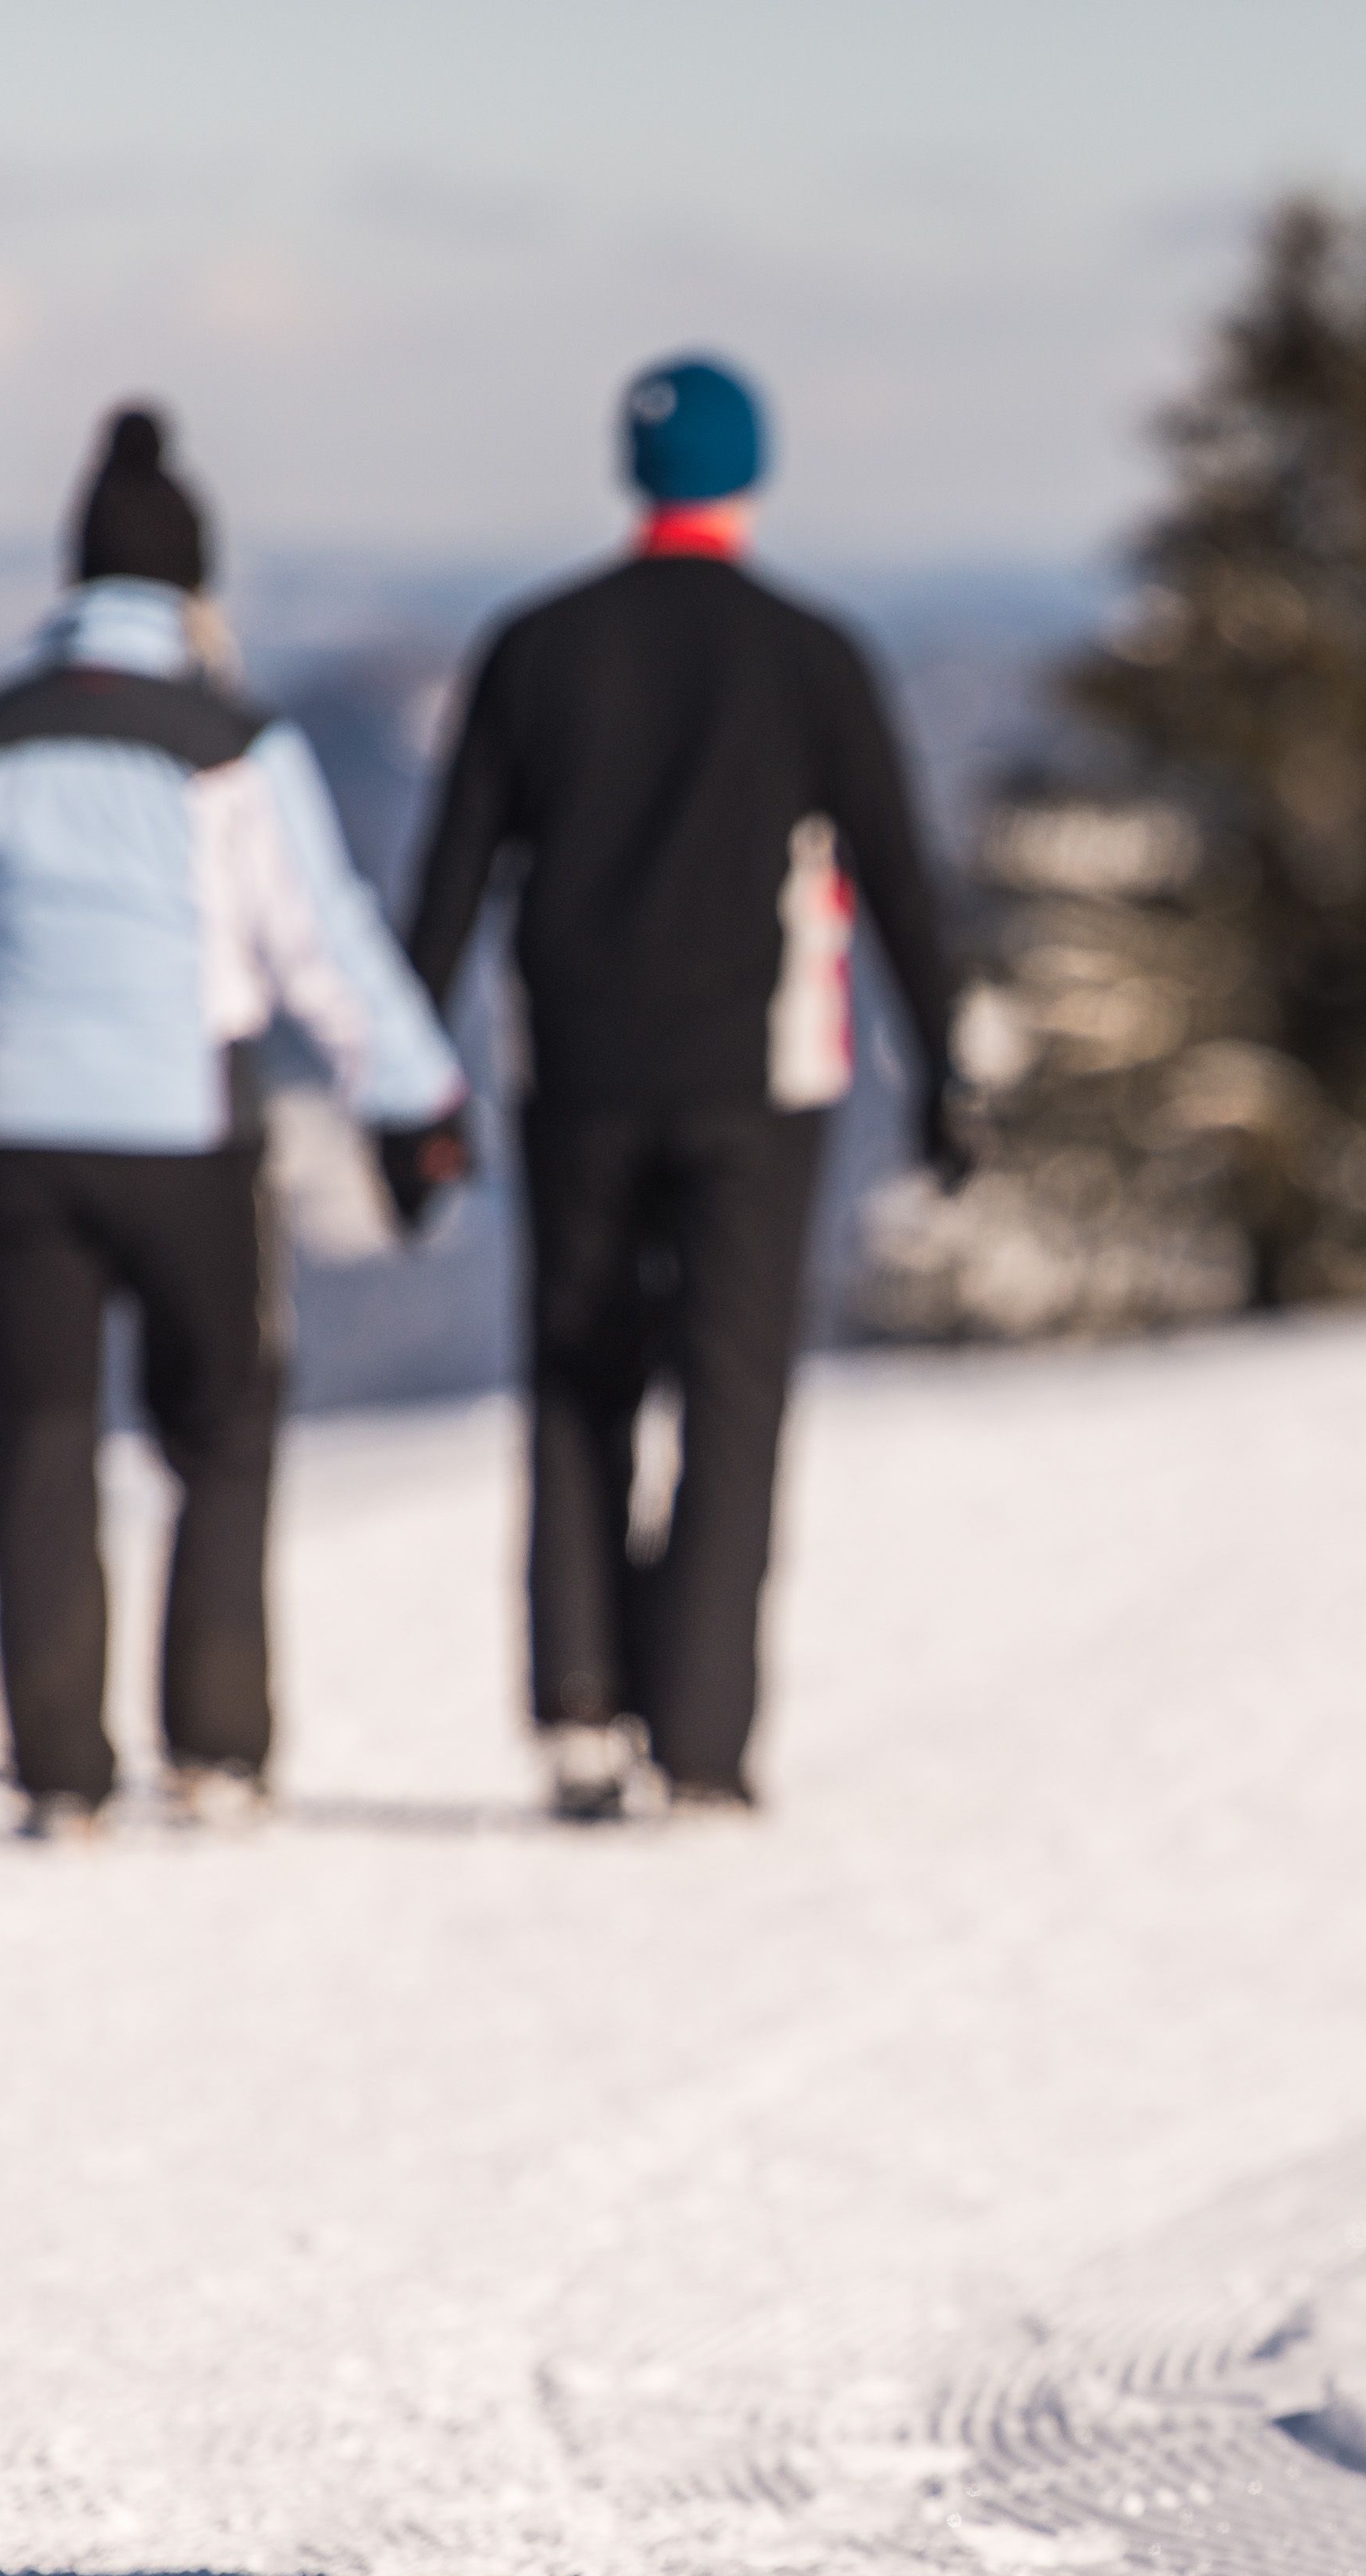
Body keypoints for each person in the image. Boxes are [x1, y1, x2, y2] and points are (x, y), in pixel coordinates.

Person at [403, 354, 971, 1823]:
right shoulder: (811, 654)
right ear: (751, 474)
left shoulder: (534, 646)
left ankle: (581, 1710)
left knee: (577, 1380)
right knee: (731, 1393)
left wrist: (412, 1089)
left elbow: (453, 877)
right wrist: (946, 1071)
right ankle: (704, 1738)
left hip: (577, 1071)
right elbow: (898, 875)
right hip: (760, 1081)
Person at [0, 403, 475, 1842]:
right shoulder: (227, 739)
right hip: (183, 1128)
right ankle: (214, 1747)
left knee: (35, 1433)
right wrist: (412, 1096)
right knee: (218, 1426)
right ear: (194, 589)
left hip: (12, 1132)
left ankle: (59, 1774)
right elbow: (317, 940)